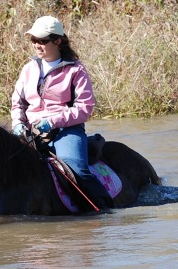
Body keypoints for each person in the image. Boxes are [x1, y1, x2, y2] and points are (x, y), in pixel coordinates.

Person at [10, 15, 113, 211]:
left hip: (67, 131)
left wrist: (53, 121)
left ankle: (104, 210)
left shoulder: (76, 70)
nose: (36, 45)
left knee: (75, 168)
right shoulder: (28, 69)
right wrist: (17, 123)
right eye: (33, 40)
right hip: (30, 131)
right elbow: (18, 103)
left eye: (42, 41)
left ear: (57, 41)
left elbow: (85, 108)